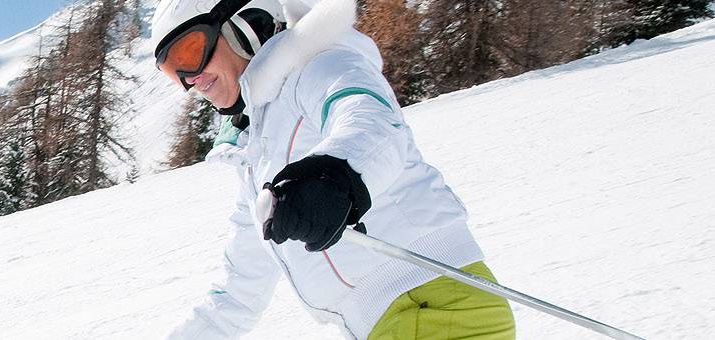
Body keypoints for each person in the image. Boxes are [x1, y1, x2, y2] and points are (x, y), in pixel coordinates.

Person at [151, 0, 516, 339]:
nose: (188, 79)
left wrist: (334, 176)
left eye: (190, 52)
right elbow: (240, 289)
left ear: (248, 22)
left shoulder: (321, 66)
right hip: (394, 320)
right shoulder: (257, 153)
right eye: (172, 70)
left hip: (434, 302)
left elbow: (372, 122)